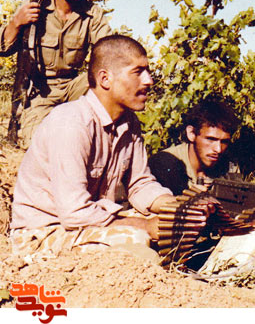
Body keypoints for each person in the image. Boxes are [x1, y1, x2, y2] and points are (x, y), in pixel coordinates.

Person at [9, 35, 175, 257]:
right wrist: (144, 225)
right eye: (137, 72)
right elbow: (74, 213)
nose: (149, 81)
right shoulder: (71, 123)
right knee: (136, 239)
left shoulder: (130, 123)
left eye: (148, 71)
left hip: (87, 223)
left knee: (171, 228)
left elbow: (140, 184)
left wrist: (174, 207)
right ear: (105, 79)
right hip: (43, 233)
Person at [0, 0, 113, 145]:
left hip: (74, 87)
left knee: (105, 83)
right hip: (41, 92)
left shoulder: (92, 14)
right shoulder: (36, 7)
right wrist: (16, 23)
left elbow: (110, 50)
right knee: (42, 142)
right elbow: (3, 50)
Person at [149, 100, 240, 195]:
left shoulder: (228, 168)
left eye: (224, 142)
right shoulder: (165, 164)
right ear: (191, 133)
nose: (218, 149)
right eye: (211, 139)